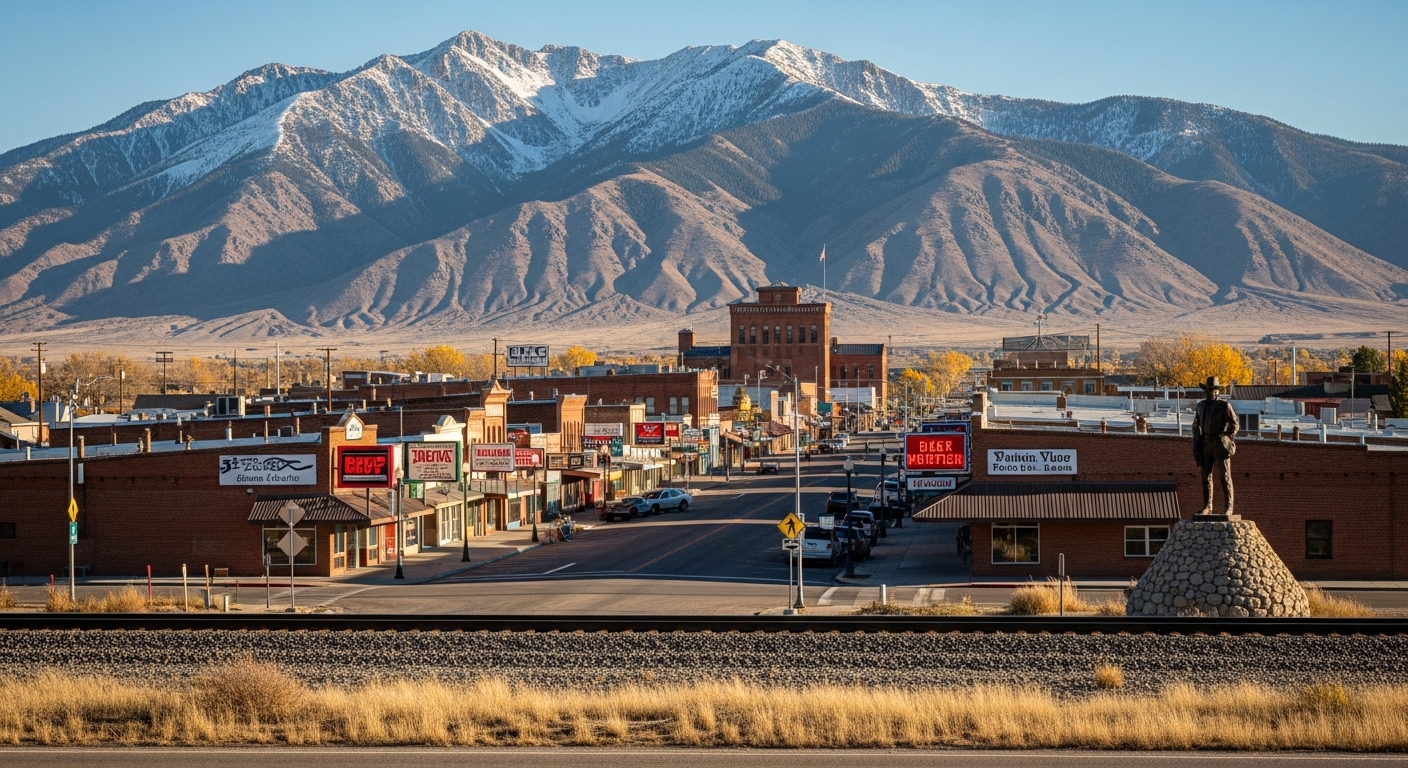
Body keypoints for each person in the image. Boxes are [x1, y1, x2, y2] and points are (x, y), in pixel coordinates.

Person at [1192, 376, 1239, 515]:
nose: (1211, 392)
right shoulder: (1200, 406)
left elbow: (1234, 424)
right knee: (1205, 477)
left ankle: (1228, 507)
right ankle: (1207, 506)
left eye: (1213, 389)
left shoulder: (1224, 406)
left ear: (1217, 391)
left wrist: (1226, 437)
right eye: (1208, 389)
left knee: (1225, 476)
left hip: (1219, 443)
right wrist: (1196, 441)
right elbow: (1195, 424)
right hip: (1205, 443)